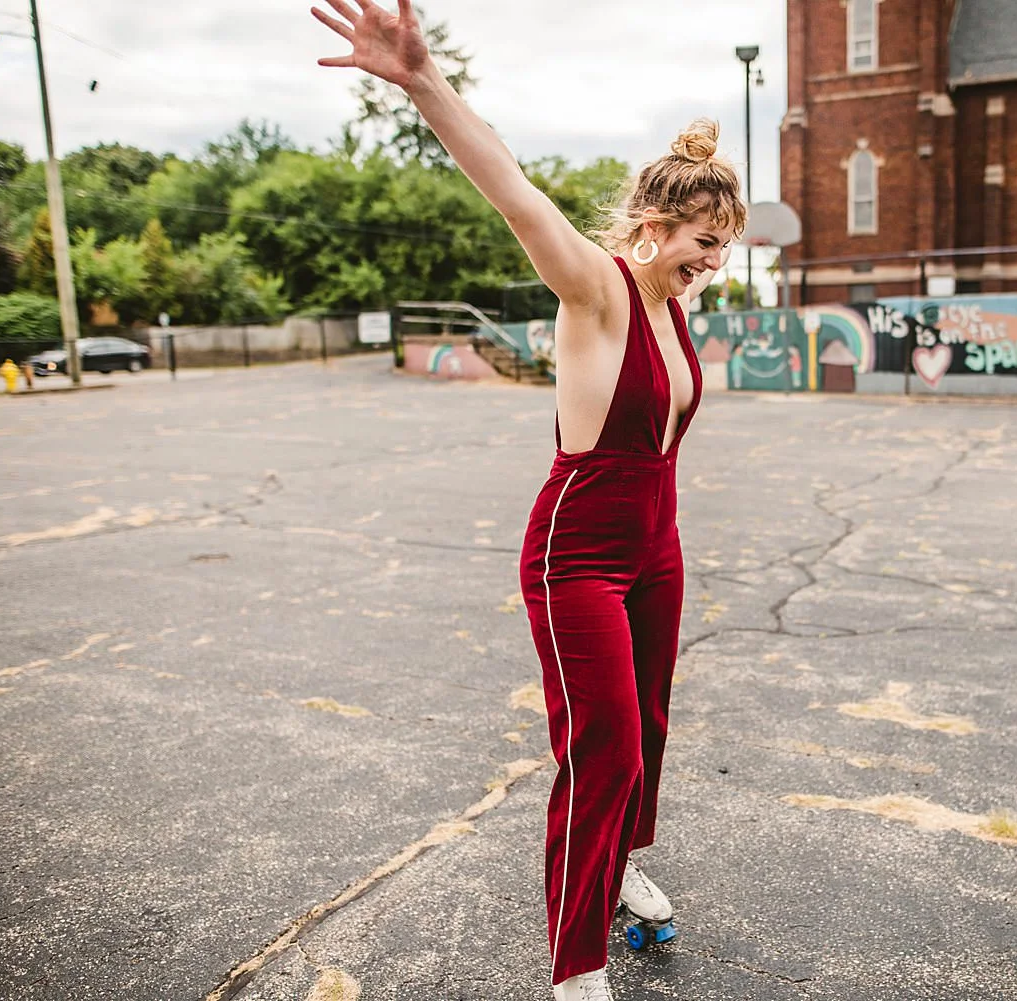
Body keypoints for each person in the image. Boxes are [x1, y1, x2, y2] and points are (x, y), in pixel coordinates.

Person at [311, 4, 746, 998]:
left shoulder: (679, 315)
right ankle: (576, 966)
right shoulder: (595, 288)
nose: (712, 260)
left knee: (654, 732)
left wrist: (664, 547)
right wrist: (423, 83)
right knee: (607, 746)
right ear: (650, 223)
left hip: (657, 546)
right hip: (578, 552)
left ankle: (624, 864)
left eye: (723, 245)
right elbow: (514, 192)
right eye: (700, 239)